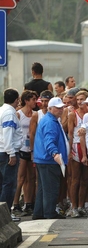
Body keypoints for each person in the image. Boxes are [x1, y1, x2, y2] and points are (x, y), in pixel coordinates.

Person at [32, 97, 68, 220]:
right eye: (58, 108)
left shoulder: (49, 119)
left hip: (44, 159)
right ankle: (49, 213)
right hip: (49, 160)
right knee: (51, 188)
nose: (61, 110)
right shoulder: (50, 122)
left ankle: (39, 212)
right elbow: (49, 140)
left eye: (62, 107)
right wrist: (55, 153)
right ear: (50, 108)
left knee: (43, 188)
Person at [12, 90, 37, 217]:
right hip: (21, 148)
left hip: (31, 149)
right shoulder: (18, 114)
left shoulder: (35, 114)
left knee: (31, 178)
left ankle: (28, 203)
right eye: (33, 99)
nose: (35, 102)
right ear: (26, 101)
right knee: (20, 178)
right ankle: (15, 203)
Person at [0, 88, 23, 222]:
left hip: (2, 151)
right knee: (9, 184)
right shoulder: (9, 113)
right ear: (16, 100)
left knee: (2, 184)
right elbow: (8, 135)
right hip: (7, 153)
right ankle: (6, 214)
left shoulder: (2, 110)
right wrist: (12, 154)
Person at [67, 90, 88, 218]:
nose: (80, 102)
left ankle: (82, 206)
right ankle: (73, 206)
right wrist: (69, 151)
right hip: (76, 146)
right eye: (78, 99)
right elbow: (70, 134)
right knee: (75, 178)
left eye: (82, 99)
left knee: (86, 179)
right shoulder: (73, 115)